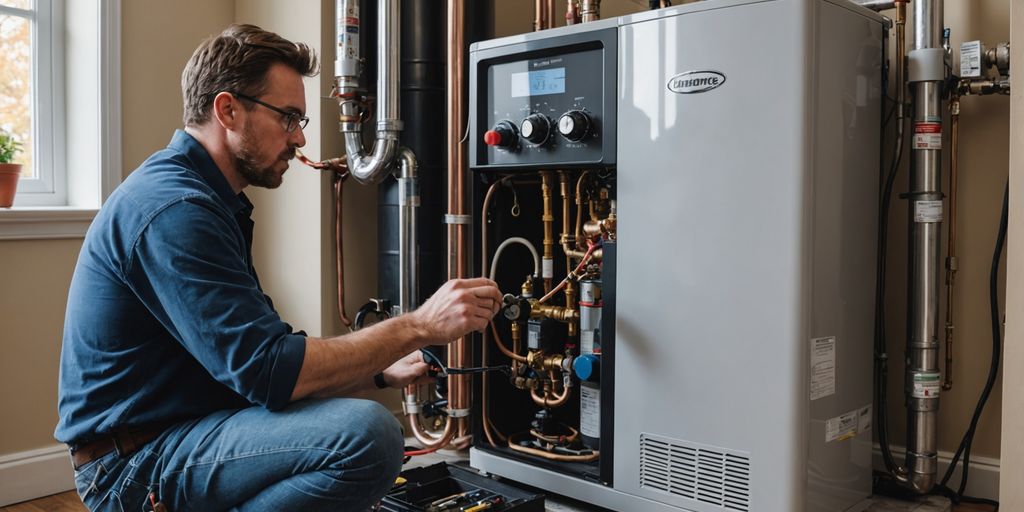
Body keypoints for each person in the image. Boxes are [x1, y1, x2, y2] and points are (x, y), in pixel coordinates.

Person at [55, 24, 501, 511]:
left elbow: (267, 358)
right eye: (289, 118)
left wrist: (378, 372)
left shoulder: (209, 201)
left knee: (354, 425)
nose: (301, 137)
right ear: (227, 109)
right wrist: (419, 325)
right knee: (365, 434)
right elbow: (271, 372)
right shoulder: (175, 210)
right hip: (132, 467)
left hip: (181, 432)